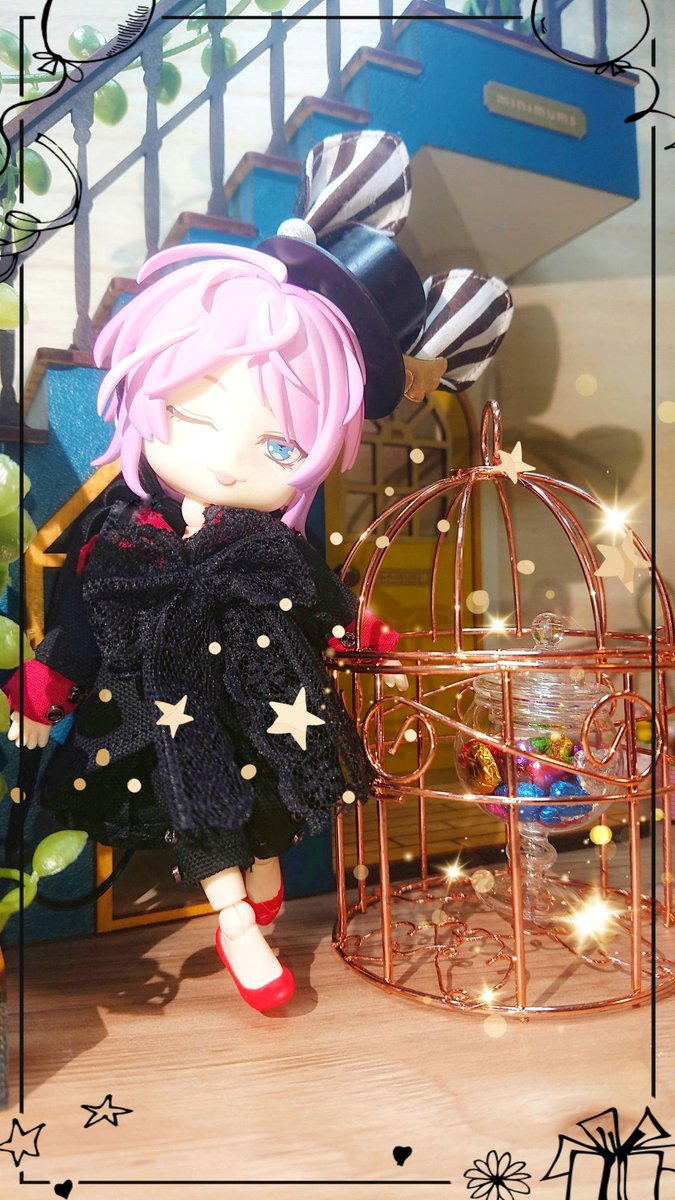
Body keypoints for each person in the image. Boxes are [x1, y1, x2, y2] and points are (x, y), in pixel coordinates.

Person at [4, 130, 513, 1012]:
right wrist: (48, 681)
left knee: (266, 786)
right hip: (157, 707)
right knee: (195, 797)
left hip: (254, 691)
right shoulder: (121, 530)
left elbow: (320, 595)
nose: (226, 463)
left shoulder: (267, 541)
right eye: (191, 417)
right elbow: (86, 612)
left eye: (279, 448)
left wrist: (370, 634)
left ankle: (263, 879)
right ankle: (236, 924)